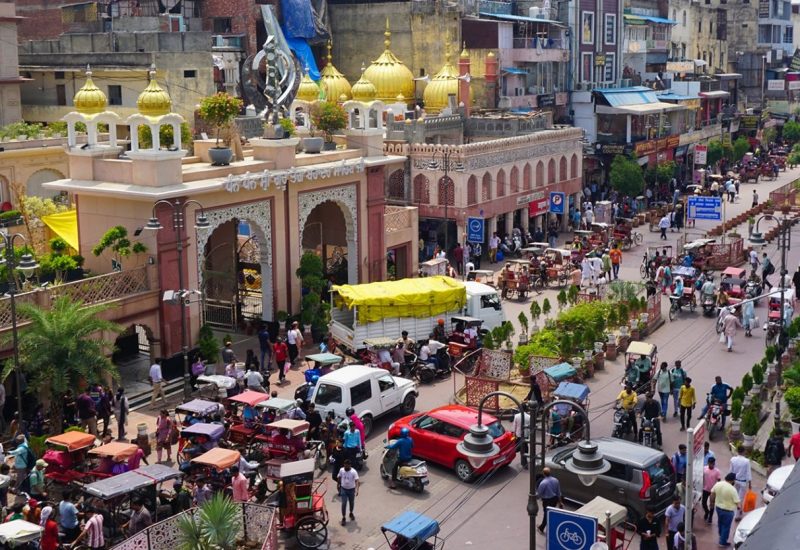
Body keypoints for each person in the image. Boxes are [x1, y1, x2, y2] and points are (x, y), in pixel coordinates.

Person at [710, 472, 740, 547]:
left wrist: (712, 503)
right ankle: (722, 542)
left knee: (720, 523)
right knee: (726, 526)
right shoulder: (732, 489)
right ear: (732, 480)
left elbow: (712, 494)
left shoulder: (718, 484)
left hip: (718, 508)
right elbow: (737, 502)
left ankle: (721, 536)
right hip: (728, 511)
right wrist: (740, 508)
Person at [536, 467, 563, 534]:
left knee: (546, 514)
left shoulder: (543, 483)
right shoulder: (556, 480)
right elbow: (558, 492)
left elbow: (539, 494)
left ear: (543, 473)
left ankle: (541, 528)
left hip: (547, 501)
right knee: (550, 513)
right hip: (554, 499)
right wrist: (560, 502)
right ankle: (544, 526)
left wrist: (535, 498)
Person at [729, 445, 751, 520]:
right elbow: (748, 473)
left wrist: (730, 481)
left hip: (735, 480)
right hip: (743, 482)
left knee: (736, 496)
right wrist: (750, 483)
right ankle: (737, 515)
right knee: (740, 498)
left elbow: (731, 470)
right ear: (743, 451)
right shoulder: (746, 461)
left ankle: (739, 511)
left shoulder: (733, 459)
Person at [337, 459, 359, 526]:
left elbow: (357, 481)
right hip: (343, 489)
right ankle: (343, 517)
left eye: (347, 466)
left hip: (351, 490)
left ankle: (351, 513)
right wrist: (338, 484)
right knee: (344, 503)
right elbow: (339, 476)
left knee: (351, 502)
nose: (345, 467)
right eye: (344, 465)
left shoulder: (353, 472)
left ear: (350, 465)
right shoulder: (341, 470)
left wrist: (357, 490)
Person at [702, 456, 722, 524]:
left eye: (713, 463)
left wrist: (718, 490)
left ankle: (710, 517)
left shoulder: (717, 471)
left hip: (713, 491)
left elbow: (719, 480)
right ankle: (707, 512)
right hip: (705, 489)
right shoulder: (704, 469)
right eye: (710, 463)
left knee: (712, 504)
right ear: (708, 463)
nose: (711, 465)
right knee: (703, 503)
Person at [512, 404, 531, 469]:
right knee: (524, 447)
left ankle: (523, 461)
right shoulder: (529, 416)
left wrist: (514, 433)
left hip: (518, 434)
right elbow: (530, 426)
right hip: (525, 434)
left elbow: (514, 425)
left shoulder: (516, 416)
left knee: (520, 447)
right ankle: (524, 460)